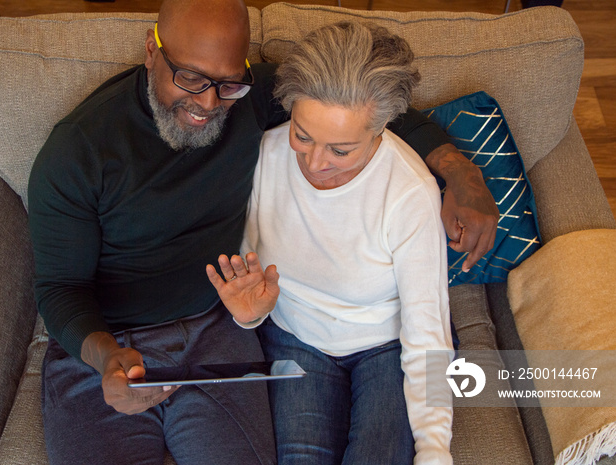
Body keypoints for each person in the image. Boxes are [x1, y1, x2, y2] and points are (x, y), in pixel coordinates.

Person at [27, 0, 493, 463]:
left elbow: (370, 105)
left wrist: (458, 171)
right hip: (107, 341)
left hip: (214, 327)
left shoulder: (250, 99)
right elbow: (58, 287)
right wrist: (106, 356)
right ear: (151, 49)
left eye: (227, 83)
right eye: (189, 77)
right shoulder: (78, 151)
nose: (209, 104)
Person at [206, 21, 454, 465]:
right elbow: (248, 267)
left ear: (380, 130)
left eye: (340, 150)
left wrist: (435, 449)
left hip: (387, 345)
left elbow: (428, 332)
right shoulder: (266, 154)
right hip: (295, 339)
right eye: (302, 135)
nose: (316, 162)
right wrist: (250, 315)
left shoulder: (409, 192)